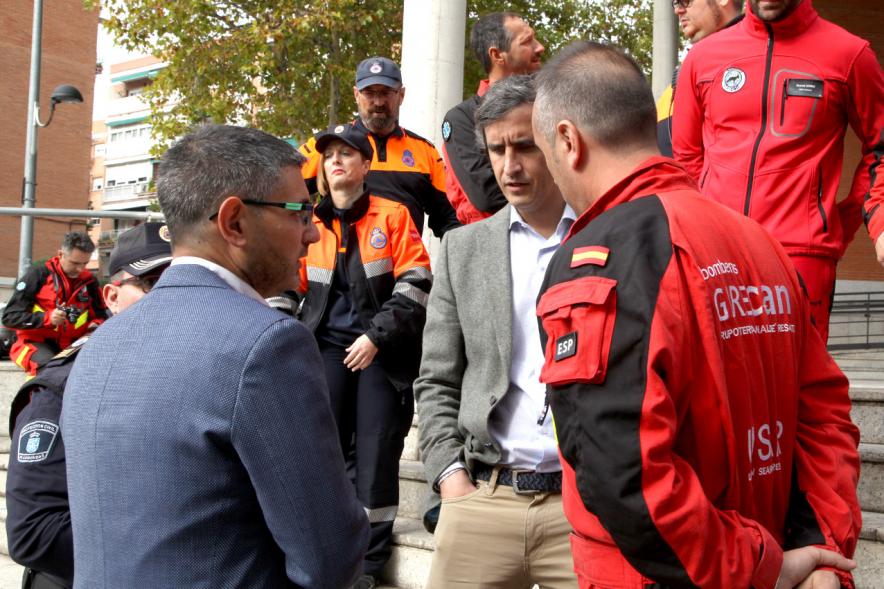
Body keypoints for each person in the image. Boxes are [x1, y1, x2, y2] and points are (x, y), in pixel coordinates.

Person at [532, 41, 860, 588]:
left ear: (567, 140)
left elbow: (623, 475)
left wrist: (765, 569)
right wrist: (819, 552)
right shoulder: (758, 240)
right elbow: (826, 417)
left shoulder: (602, 257)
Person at [61, 124, 369, 589]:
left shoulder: (100, 344)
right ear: (235, 222)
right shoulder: (268, 344)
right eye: (299, 212)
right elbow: (328, 555)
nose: (310, 234)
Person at [416, 75, 577, 589]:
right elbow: (436, 379)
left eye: (525, 146)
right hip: (483, 497)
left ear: (558, 141)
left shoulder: (608, 234)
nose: (510, 166)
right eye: (497, 149)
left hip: (582, 507)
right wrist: (450, 477)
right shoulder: (464, 249)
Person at [672, 0, 884, 341]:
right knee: (719, 387)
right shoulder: (702, 58)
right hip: (716, 258)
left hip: (801, 260)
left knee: (800, 389)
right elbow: (685, 160)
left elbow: (880, 147)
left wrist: (843, 225)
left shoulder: (850, 55)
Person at [297, 123, 432, 589]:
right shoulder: (306, 223)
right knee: (326, 454)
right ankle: (331, 549)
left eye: (347, 154)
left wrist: (375, 337)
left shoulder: (392, 215)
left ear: (366, 165)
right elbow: (285, 291)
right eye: (329, 153)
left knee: (375, 457)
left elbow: (416, 285)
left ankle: (369, 567)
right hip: (326, 353)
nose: (336, 160)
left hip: (381, 354)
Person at [5, 222, 173, 589]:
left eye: (177, 283)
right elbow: (34, 532)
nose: (168, 297)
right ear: (113, 295)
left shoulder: (202, 372)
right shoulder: (61, 390)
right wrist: (172, 547)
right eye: (150, 284)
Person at [299, 57, 460, 238]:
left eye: (386, 92)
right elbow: (283, 192)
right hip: (338, 261)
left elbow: (449, 220)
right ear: (356, 94)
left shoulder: (425, 152)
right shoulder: (327, 145)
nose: (378, 102)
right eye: (369, 93)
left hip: (405, 261)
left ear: (401, 95)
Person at [440, 11, 544, 224]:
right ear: (497, 55)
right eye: (527, 42)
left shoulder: (549, 106)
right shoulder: (462, 119)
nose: (539, 47)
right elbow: (486, 196)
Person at [2, 232, 108, 375]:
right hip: (33, 344)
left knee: (97, 370)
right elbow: (10, 317)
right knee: (51, 372)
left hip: (74, 345)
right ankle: (35, 395)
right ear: (60, 254)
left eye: (85, 263)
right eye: (75, 263)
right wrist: (48, 319)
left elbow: (101, 315)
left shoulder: (89, 282)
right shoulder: (37, 275)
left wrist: (94, 327)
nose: (80, 269)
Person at [656, 0, 743, 156]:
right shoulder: (688, 71)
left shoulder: (758, 64)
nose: (678, 11)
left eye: (686, 1)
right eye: (676, 3)